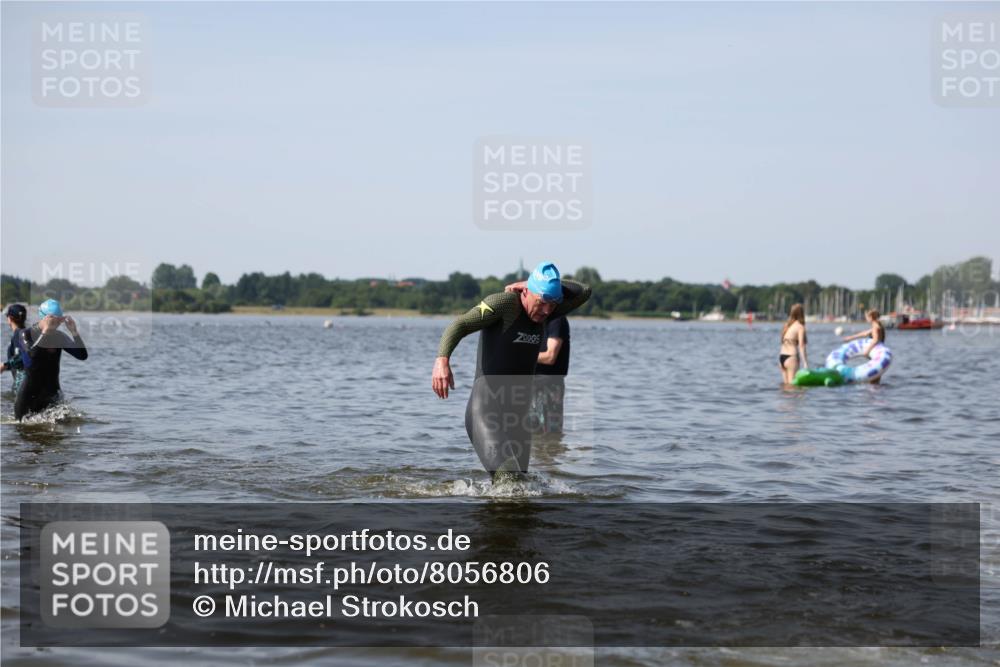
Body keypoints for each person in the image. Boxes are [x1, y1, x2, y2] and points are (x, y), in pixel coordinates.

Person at [432, 262, 591, 481]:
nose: (547, 310)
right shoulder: (504, 304)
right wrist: (442, 360)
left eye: (553, 304)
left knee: (521, 488)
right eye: (542, 302)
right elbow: (461, 324)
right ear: (526, 293)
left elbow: (584, 291)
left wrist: (530, 283)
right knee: (509, 480)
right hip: (486, 412)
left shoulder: (548, 312)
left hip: (519, 419)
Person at [14, 299, 88, 420]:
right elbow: (31, 361)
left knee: (60, 429)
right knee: (23, 429)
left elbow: (82, 355)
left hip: (52, 394)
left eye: (59, 321)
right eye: (53, 321)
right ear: (43, 318)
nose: (56, 324)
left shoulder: (59, 337)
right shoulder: (25, 334)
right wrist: (45, 333)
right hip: (29, 396)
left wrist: (74, 332)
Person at [531, 314, 570, 434]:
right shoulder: (528, 320)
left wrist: (521, 356)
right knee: (530, 432)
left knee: (551, 433)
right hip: (529, 384)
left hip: (549, 385)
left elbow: (550, 357)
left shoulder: (556, 319)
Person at [842, 309, 887, 381]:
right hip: (878, 354)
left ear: (870, 317)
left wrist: (867, 351)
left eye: (866, 317)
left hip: (876, 355)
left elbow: (875, 340)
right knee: (876, 378)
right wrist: (850, 338)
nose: (866, 318)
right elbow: (864, 333)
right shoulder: (877, 325)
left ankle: (874, 387)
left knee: (874, 379)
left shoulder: (875, 327)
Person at [779, 303, 809, 384]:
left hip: (782, 357)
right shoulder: (800, 327)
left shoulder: (787, 326)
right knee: (792, 387)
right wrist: (805, 363)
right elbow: (801, 346)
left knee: (785, 386)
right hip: (791, 357)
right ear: (801, 314)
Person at [1, 304, 28, 393]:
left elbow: (22, 357)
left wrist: (4, 365)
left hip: (21, 385)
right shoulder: (26, 333)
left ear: (9, 318)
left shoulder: (18, 335)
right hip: (29, 383)